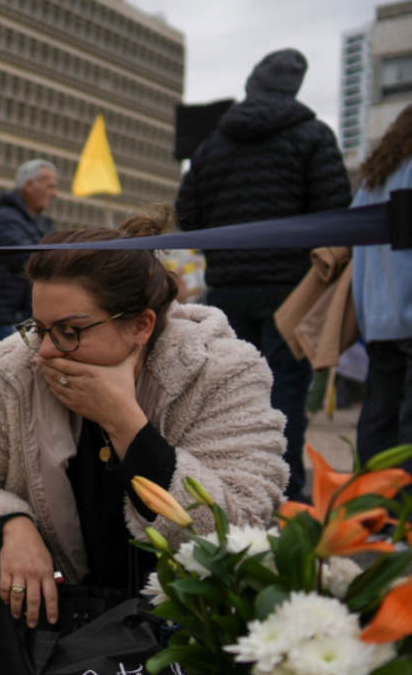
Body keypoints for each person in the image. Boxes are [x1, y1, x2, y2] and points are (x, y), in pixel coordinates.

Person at [0, 209, 288, 675]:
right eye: (39, 327)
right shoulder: (19, 369)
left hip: (171, 605)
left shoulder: (222, 369)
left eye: (70, 331)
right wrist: (10, 526)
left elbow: (244, 517)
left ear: (141, 326)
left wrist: (126, 424)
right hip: (63, 595)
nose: (46, 350)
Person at [175, 48, 352, 500]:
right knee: (286, 392)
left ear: (253, 84)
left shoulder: (212, 144)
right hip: (293, 287)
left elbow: (187, 216)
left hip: (227, 286)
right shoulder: (313, 135)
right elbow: (335, 216)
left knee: (233, 391)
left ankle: (233, 490)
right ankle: (287, 497)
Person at [352, 105, 412, 467]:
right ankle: (405, 516)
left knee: (379, 417)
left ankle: (370, 507)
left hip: (377, 316)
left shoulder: (373, 181)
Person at [0, 160, 58, 340]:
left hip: (27, 319)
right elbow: (29, 260)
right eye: (50, 186)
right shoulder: (5, 218)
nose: (55, 193)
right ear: (30, 185)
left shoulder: (41, 222)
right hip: (11, 320)